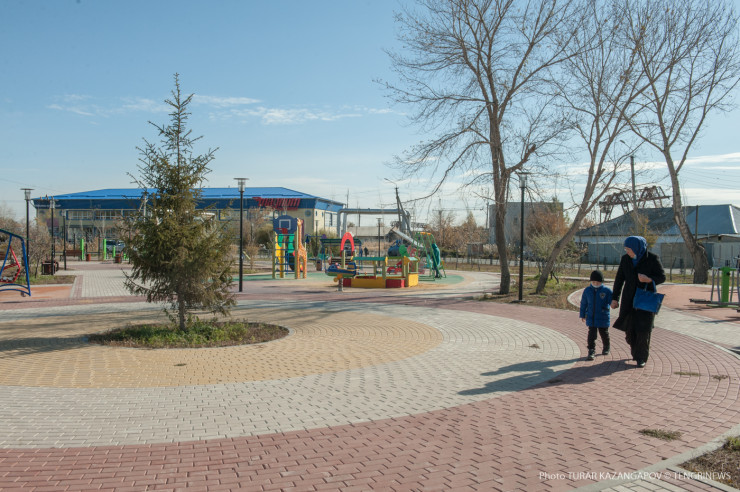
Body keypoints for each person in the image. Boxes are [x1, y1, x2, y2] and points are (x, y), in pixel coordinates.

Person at [611, 236, 666, 368]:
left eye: (629, 249)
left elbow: (662, 277)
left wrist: (649, 280)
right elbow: (619, 279)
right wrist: (615, 298)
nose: (627, 251)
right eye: (626, 249)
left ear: (637, 248)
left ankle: (641, 357)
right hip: (629, 299)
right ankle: (636, 351)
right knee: (629, 330)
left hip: (645, 299)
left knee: (643, 330)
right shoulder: (625, 259)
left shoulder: (652, 258)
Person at [580, 270, 612, 361]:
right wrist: (582, 314)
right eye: (593, 282)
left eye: (598, 282)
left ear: (601, 282)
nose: (595, 284)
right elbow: (583, 303)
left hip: (603, 317)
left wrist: (614, 303)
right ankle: (591, 350)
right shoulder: (587, 290)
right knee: (591, 335)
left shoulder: (607, 291)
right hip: (591, 317)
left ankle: (606, 347)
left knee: (604, 334)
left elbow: (612, 301)